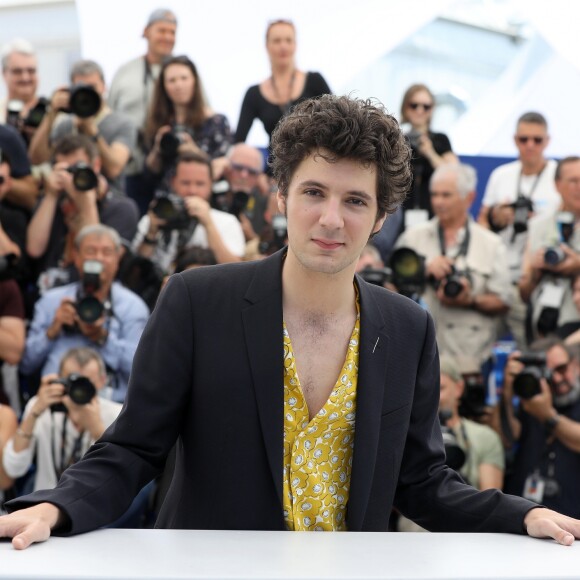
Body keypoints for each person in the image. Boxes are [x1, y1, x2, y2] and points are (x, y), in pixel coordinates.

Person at [0, 95, 579, 549]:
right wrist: (55, 506)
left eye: (355, 200)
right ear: (280, 196)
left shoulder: (407, 328)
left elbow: (423, 482)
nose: (331, 218)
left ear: (381, 217)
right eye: (313, 192)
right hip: (211, 574)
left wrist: (520, 514)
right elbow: (131, 449)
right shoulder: (196, 302)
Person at [395, 163, 511, 365]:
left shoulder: (491, 244)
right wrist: (423, 269)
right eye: (434, 194)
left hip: (468, 361)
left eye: (446, 195)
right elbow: (390, 286)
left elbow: (503, 302)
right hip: (416, 358)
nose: (438, 202)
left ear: (470, 198)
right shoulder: (412, 238)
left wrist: (470, 299)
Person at [20, 224, 149, 402]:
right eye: (90, 251)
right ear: (76, 257)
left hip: (109, 406)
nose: (98, 258)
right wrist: (52, 331)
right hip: (55, 399)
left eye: (106, 252)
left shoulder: (132, 307)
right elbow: (26, 364)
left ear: (118, 259)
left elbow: (142, 370)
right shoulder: (52, 301)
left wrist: (103, 338)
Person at [478, 112, 559, 347]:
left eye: (537, 140)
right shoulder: (501, 175)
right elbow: (481, 224)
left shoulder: (557, 177)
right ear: (515, 140)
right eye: (524, 140)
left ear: (547, 141)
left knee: (533, 347)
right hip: (499, 277)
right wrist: (497, 218)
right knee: (479, 344)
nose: (530, 146)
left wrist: (539, 222)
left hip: (535, 278)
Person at [3, 348, 122, 492]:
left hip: (93, 506)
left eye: (86, 383)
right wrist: (34, 413)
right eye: (74, 382)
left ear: (102, 381)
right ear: (60, 379)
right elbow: (13, 468)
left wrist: (97, 430)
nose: (79, 390)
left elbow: (120, 478)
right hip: (45, 501)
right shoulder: (42, 407)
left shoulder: (117, 414)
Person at [26, 134, 139, 286]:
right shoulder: (54, 199)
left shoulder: (122, 208)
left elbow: (99, 263)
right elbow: (34, 249)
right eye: (67, 170)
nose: (73, 178)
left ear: (96, 165)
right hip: (46, 290)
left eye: (78, 168)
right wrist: (51, 196)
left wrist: (86, 202)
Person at [501, 338, 580, 518]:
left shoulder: (540, 407)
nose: (558, 379)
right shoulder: (531, 399)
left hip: (574, 522)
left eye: (562, 369)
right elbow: (508, 438)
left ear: (576, 364)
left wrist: (548, 417)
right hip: (526, 518)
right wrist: (508, 392)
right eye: (549, 373)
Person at [108, 8, 177, 212]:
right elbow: (111, 116)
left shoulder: (181, 72)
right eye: (162, 30)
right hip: (130, 166)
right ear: (146, 32)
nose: (167, 37)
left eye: (172, 32)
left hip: (169, 171)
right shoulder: (125, 72)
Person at [29, 60, 137, 188]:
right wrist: (51, 114)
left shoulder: (123, 124)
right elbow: (37, 159)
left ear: (104, 86)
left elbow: (114, 169)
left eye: (92, 88)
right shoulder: (66, 125)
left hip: (109, 199)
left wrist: (92, 132)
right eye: (81, 88)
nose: (87, 95)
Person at [133, 152, 244, 273]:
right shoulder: (156, 217)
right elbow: (135, 275)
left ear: (211, 185)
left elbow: (236, 273)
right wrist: (151, 233)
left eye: (200, 184)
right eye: (185, 183)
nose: (192, 190)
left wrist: (209, 225)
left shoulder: (227, 222)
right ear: (172, 182)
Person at [235, 19, 331, 152]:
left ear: (295, 45)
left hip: (316, 158)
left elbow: (337, 120)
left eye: (288, 40)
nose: (283, 46)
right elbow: (238, 142)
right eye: (277, 41)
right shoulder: (254, 94)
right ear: (267, 46)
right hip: (276, 166)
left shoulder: (315, 80)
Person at [519, 157, 580, 341]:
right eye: (574, 181)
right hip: (543, 325)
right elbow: (523, 292)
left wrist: (577, 265)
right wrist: (536, 271)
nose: (579, 187)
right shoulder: (539, 225)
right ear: (557, 185)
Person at [143, 55, 232, 181]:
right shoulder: (159, 123)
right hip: (165, 195)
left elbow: (223, 169)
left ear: (194, 81)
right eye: (172, 80)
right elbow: (149, 175)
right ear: (163, 86)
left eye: (184, 78)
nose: (178, 85)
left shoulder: (216, 122)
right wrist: (157, 150)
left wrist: (195, 153)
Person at [399, 83, 458, 228]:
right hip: (400, 212)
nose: (420, 111)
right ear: (405, 108)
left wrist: (430, 153)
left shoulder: (440, 139)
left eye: (426, 106)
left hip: (434, 212)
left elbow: (454, 173)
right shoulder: (397, 139)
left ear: (432, 110)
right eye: (414, 105)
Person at [0, 38, 47, 145]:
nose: (25, 78)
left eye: (31, 71)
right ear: (4, 73)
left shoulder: (52, 114)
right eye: (17, 71)